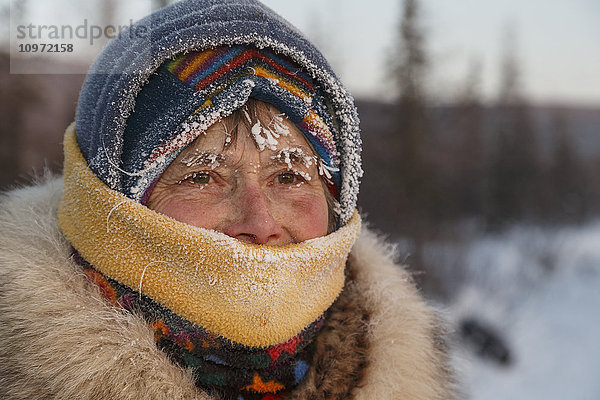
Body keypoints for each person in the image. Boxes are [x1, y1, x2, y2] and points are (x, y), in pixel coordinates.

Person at [0, 0, 455, 399]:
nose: (259, 221)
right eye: (202, 176)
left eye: (290, 175)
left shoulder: (409, 378)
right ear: (107, 210)